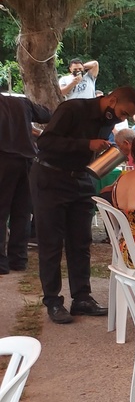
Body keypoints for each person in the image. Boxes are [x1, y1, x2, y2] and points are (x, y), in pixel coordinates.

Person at [33, 86, 135, 324]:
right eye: (123, 113)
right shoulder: (72, 109)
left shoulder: (107, 121)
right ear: (112, 100)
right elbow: (46, 142)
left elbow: (92, 153)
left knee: (81, 242)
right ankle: (53, 301)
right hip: (50, 177)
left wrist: (108, 153)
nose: (122, 119)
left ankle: (82, 298)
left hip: (81, 180)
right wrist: (86, 144)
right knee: (51, 244)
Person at [0, 87, 51, 275]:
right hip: (27, 161)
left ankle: (1, 262)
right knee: (22, 212)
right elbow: (47, 114)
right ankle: (18, 260)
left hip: (3, 160)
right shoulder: (21, 102)